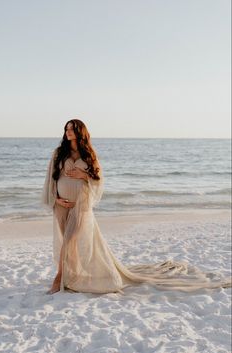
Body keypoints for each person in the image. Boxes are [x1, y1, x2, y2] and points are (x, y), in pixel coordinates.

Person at [41, 119, 231, 295]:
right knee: (68, 241)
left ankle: (58, 279)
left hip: (80, 205)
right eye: (66, 129)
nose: (68, 133)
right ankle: (71, 276)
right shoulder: (59, 153)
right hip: (61, 205)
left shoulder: (88, 154)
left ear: (80, 132)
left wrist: (83, 176)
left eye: (72, 129)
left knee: (69, 240)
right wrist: (56, 199)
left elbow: (97, 180)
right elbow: (51, 178)